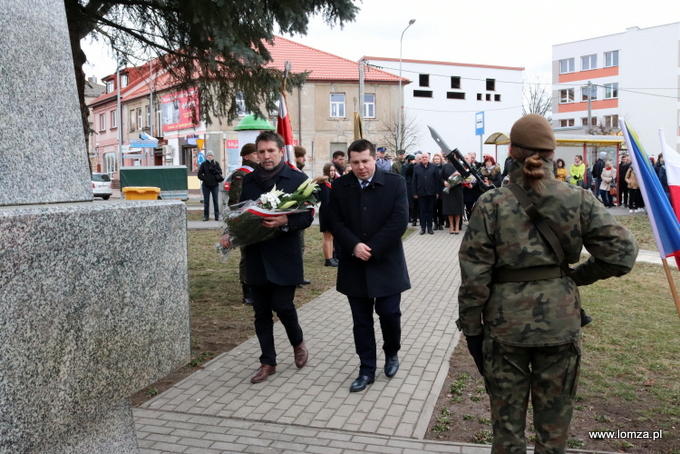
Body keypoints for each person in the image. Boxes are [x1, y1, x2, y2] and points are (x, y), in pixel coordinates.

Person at [458, 114, 638, 454]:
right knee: (554, 431)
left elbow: (474, 275)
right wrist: (574, 277)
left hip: (504, 326)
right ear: (553, 151)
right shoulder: (578, 198)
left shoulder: (491, 203)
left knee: (507, 431)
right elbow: (623, 253)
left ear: (511, 151)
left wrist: (471, 328)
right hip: (560, 323)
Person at [220, 131, 313, 384]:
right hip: (256, 254)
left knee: (283, 305)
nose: (266, 156)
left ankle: (298, 343)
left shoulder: (296, 178)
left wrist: (286, 220)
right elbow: (240, 213)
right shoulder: (249, 181)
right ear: (256, 154)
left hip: (284, 255)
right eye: (261, 152)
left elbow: (307, 216)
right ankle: (267, 361)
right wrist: (230, 232)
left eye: (271, 151)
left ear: (281, 151)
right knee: (261, 311)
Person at [328, 139, 411, 392]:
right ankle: (366, 369)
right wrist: (353, 245)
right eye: (355, 162)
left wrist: (372, 248)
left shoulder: (395, 183)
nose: (361, 167)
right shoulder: (341, 186)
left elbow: (399, 221)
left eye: (365, 161)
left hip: (386, 262)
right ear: (348, 162)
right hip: (354, 265)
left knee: (389, 314)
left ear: (375, 159)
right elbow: (334, 220)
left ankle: (392, 352)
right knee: (361, 321)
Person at [228, 143, 260, 305]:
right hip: (245, 219)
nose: (259, 156)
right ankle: (247, 291)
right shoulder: (241, 174)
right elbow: (235, 199)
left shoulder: (258, 172)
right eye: (255, 154)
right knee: (247, 256)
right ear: (246, 156)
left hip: (258, 218)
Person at [314, 163, 338, 267]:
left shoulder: (331, 183)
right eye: (331, 171)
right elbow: (326, 200)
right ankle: (328, 259)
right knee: (327, 236)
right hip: (326, 212)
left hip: (331, 212)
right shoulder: (324, 184)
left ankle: (332, 257)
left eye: (334, 170)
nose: (332, 173)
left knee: (331, 236)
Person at [412, 152, 440, 234]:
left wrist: (437, 192)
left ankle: (430, 228)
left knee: (431, 210)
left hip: (431, 192)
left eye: (426, 157)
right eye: (423, 157)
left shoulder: (434, 167)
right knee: (422, 211)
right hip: (421, 192)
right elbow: (414, 181)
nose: (424, 158)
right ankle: (423, 228)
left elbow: (437, 180)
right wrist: (414, 193)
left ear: (429, 158)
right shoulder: (416, 167)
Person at [441, 153, 464, 234]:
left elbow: (464, 176)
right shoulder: (445, 166)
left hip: (457, 189)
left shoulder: (460, 165)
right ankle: (451, 226)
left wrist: (460, 180)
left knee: (457, 209)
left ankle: (457, 226)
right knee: (449, 209)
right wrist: (444, 182)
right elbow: (441, 177)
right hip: (449, 189)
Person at [197, 150, 223, 221]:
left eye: (211, 155)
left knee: (215, 201)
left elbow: (220, 172)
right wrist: (204, 179)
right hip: (206, 185)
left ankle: (217, 216)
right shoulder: (203, 164)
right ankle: (206, 216)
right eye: (208, 155)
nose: (210, 156)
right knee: (206, 202)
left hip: (215, 185)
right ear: (206, 156)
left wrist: (214, 170)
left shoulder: (216, 163)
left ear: (213, 156)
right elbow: (199, 174)